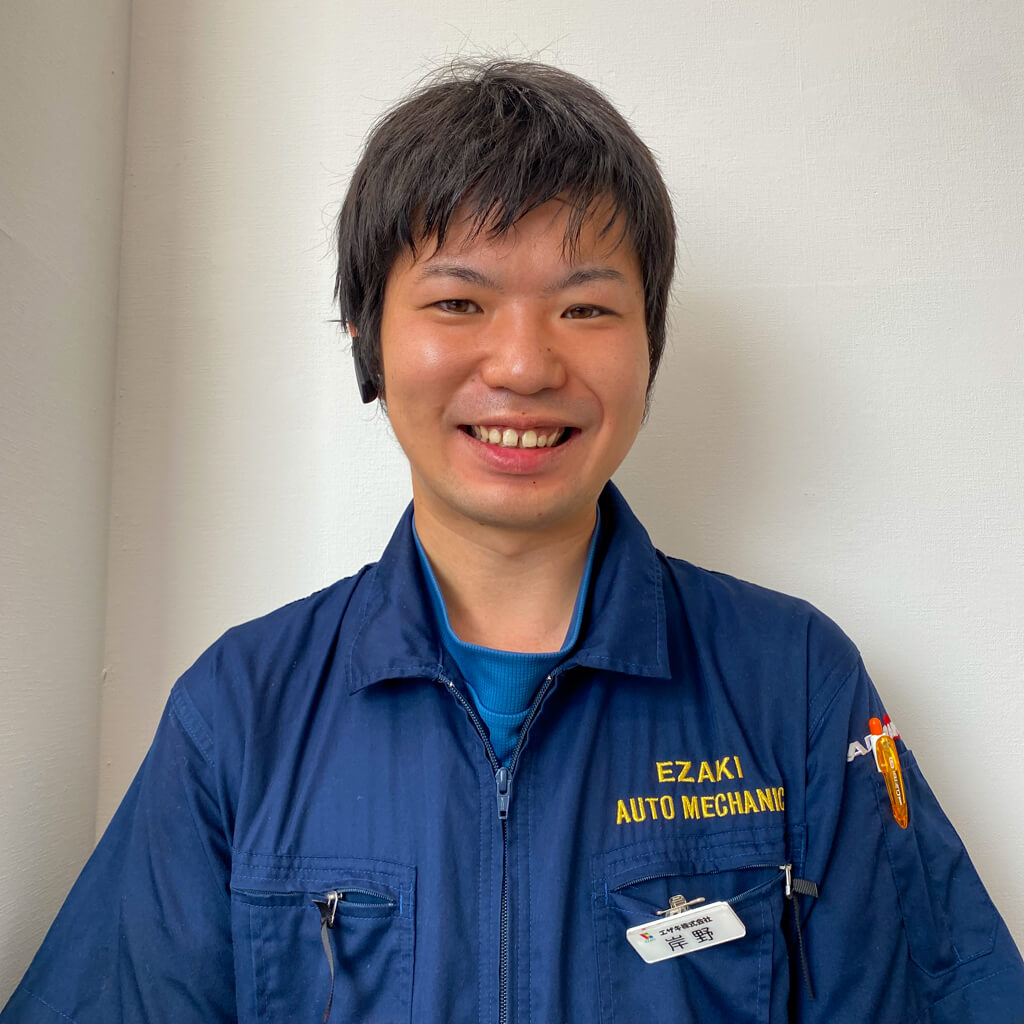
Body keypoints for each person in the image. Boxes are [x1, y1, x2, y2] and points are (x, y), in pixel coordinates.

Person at [3, 59, 1022, 1024]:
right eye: (459, 302)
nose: (526, 364)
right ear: (366, 339)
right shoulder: (239, 711)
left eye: (586, 307)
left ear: (650, 346)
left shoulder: (794, 685)